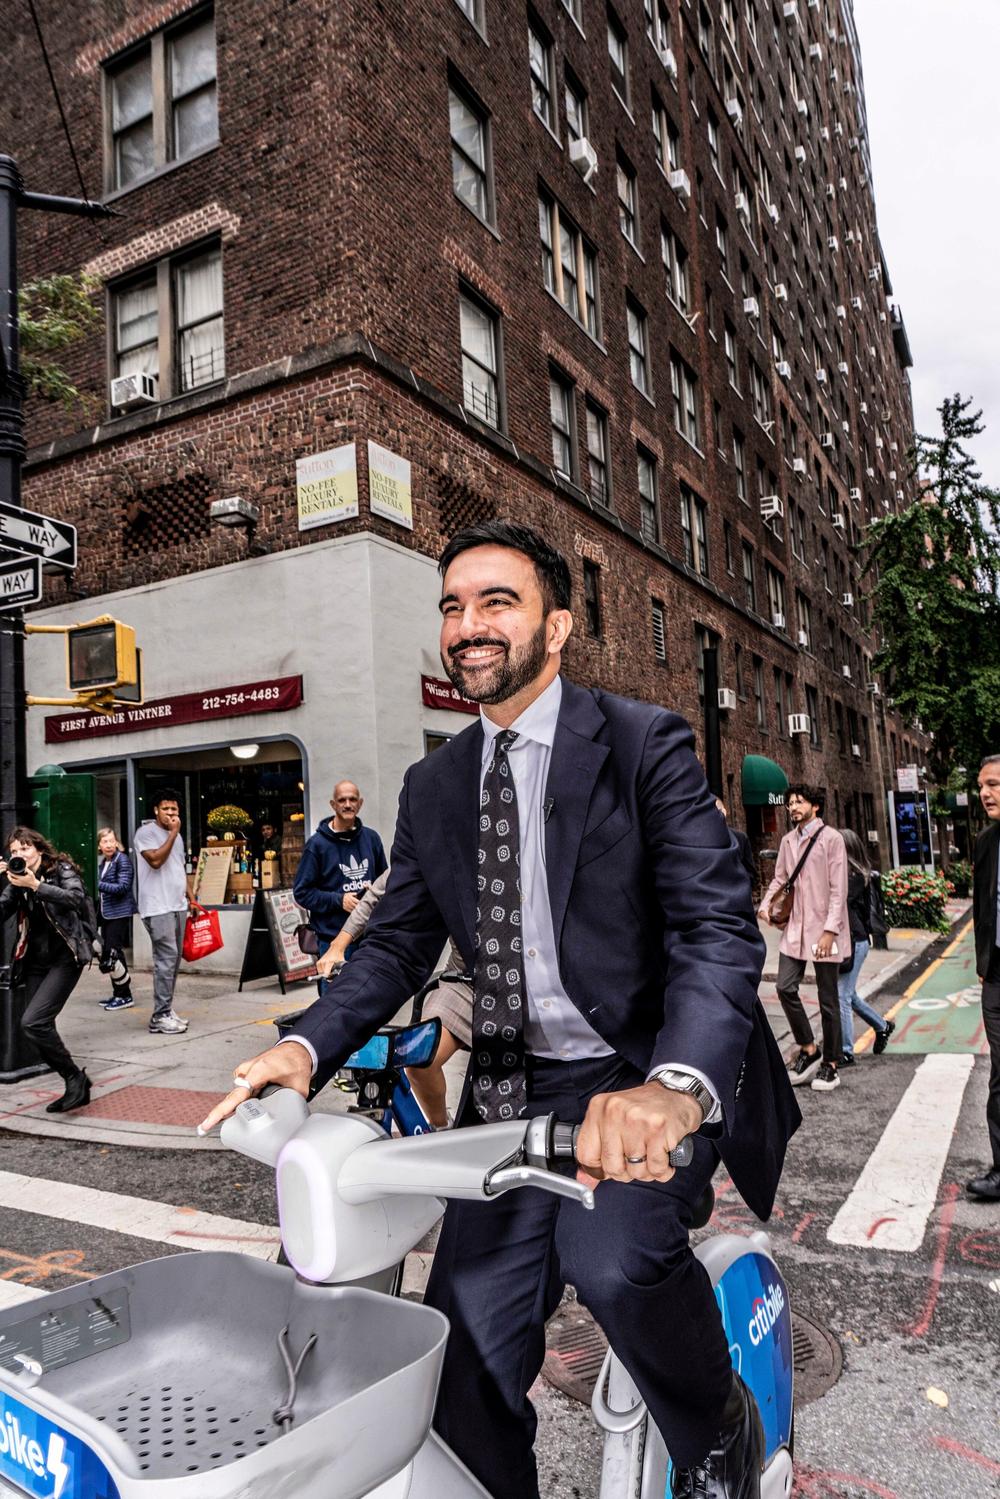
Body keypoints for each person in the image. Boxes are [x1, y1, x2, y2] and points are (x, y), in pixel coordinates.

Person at [202, 520, 800, 1499]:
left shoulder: (641, 743)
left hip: (636, 1074)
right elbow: (395, 940)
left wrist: (676, 1085)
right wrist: (304, 1048)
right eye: (451, 605)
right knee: (462, 1365)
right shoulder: (436, 784)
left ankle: (718, 1425)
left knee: (611, 1258)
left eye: (496, 601)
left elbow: (713, 928)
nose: (467, 624)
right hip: (512, 1092)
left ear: (556, 625)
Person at [318, 868, 471, 1127]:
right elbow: (378, 892)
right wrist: (338, 945)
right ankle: (441, 1130)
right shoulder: (443, 842)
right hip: (466, 981)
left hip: (530, 981)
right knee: (419, 1058)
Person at [759, 785, 849, 1093]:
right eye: (790, 803)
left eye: (800, 802)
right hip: (796, 927)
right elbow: (781, 878)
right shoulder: (787, 840)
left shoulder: (831, 840)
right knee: (784, 986)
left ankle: (831, 1065)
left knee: (828, 1000)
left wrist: (830, 931)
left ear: (816, 807)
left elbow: (839, 889)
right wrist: (766, 903)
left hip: (825, 928)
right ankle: (809, 1049)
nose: (793, 807)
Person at [0, 828, 94, 1112]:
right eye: (14, 851)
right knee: (35, 1028)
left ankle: (75, 1078)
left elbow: (75, 898)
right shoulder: (16, 880)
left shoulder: (60, 869)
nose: (20, 855)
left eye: (25, 849)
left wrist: (36, 885)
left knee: (33, 1022)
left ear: (39, 850)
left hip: (66, 957)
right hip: (35, 961)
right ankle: (75, 1082)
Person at [293, 781, 387, 967]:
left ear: (359, 803)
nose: (347, 804)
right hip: (332, 941)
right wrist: (339, 900)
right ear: (333, 804)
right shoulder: (317, 845)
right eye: (342, 800)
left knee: (370, 995)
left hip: (369, 939)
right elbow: (302, 893)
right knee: (336, 995)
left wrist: (373, 890)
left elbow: (385, 883)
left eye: (352, 799)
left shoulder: (372, 839)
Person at [133, 789, 190, 1035]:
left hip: (177, 905)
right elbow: (155, 860)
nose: (170, 814)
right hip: (157, 906)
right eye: (166, 809)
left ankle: (166, 1009)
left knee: (174, 960)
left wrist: (192, 898)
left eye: (174, 810)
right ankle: (160, 1016)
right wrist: (174, 833)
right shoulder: (145, 833)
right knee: (166, 960)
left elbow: (178, 867)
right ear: (156, 810)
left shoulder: (176, 837)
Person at [969, 752, 1000, 1201]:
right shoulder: (985, 841)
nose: (985, 793)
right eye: (981, 786)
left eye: (993, 784)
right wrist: (983, 967)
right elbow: (982, 908)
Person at [836, 829, 894, 1066]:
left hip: (856, 941)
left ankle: (847, 1052)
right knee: (850, 995)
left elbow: (839, 899)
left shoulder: (856, 876)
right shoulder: (845, 873)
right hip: (846, 941)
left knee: (842, 995)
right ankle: (882, 1026)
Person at [96, 827, 137, 1012]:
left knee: (114, 954)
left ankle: (124, 995)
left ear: (117, 842)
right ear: (99, 845)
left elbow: (123, 887)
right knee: (110, 953)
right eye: (105, 842)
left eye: (111, 841)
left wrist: (98, 884)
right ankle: (118, 992)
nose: (109, 845)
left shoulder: (123, 861)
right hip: (107, 914)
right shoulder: (104, 863)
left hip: (119, 913)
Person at [716, 799, 756, 889]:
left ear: (724, 812)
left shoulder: (740, 838)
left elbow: (751, 873)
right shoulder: (703, 842)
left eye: (718, 811)